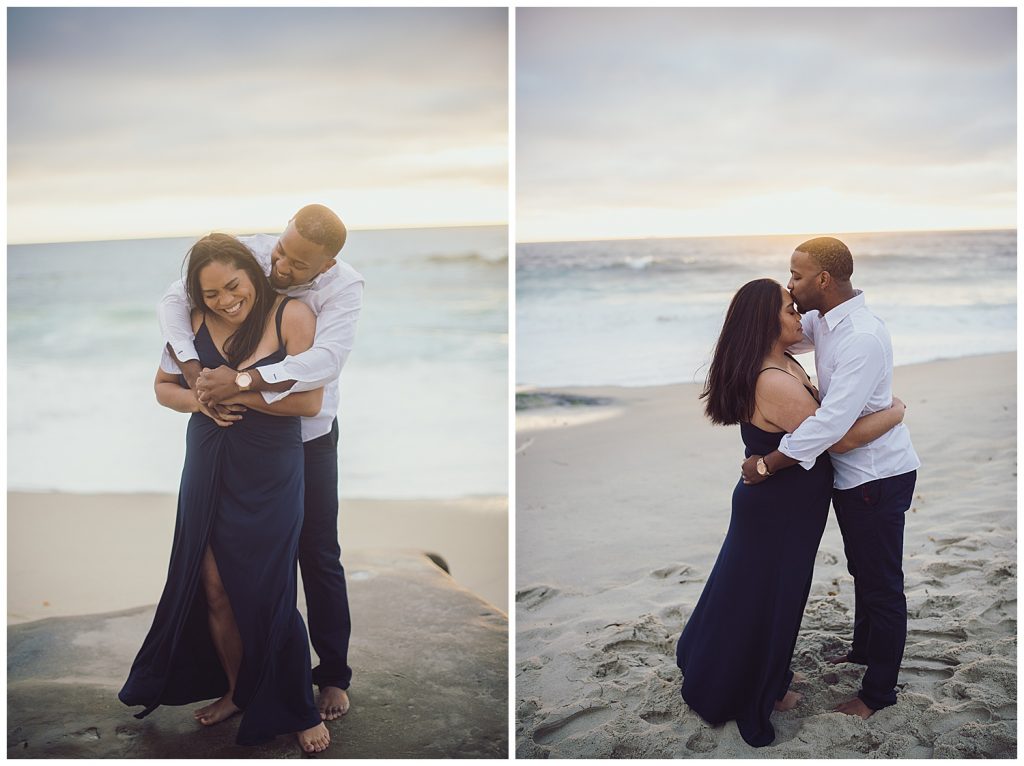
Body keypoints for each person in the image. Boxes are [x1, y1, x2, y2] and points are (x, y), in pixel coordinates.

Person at [119, 234, 331, 752]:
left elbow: (309, 403)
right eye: (211, 293)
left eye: (233, 286)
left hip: (271, 466)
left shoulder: (292, 316)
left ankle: (297, 708)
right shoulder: (191, 323)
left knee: (269, 587)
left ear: (251, 274)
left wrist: (236, 390)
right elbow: (163, 388)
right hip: (208, 460)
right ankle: (238, 691)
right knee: (213, 586)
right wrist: (201, 402)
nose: (225, 301)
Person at [675, 278, 906, 748]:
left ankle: (766, 675)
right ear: (766, 322)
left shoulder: (784, 361)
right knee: (765, 599)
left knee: (761, 594)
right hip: (779, 511)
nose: (799, 315)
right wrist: (895, 412)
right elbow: (839, 438)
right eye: (788, 309)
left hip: (784, 505)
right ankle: (754, 686)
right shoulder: (775, 380)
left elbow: (825, 340)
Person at [158, 204, 362, 722]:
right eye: (281, 252)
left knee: (317, 553)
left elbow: (324, 365)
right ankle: (248, 683)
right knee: (242, 570)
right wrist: (195, 373)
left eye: (297, 264)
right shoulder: (254, 254)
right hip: (242, 446)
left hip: (309, 439)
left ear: (326, 265)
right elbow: (176, 298)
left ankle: (332, 675)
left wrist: (239, 384)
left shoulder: (341, 289)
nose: (281, 266)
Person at [740, 237, 920, 720]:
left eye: (796, 276)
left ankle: (878, 694)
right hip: (853, 477)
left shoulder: (861, 337)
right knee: (862, 569)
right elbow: (782, 338)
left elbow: (832, 430)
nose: (791, 285)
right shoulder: (824, 321)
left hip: (876, 475)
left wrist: (770, 462)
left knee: (882, 585)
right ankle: (863, 650)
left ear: (823, 279)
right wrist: (761, 319)